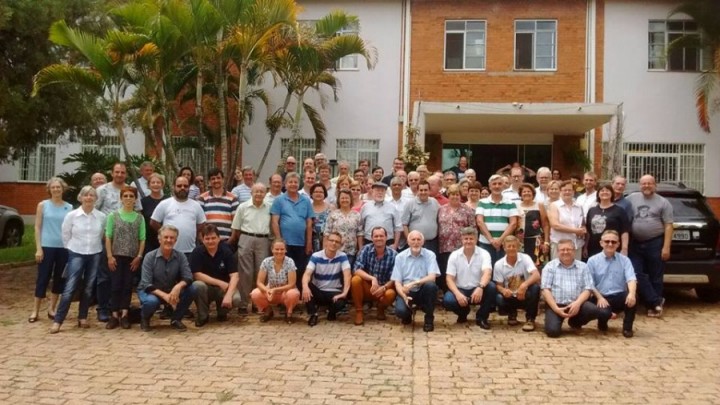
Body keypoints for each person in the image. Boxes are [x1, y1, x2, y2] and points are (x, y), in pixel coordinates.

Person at [49, 186, 107, 334]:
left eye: (92, 195)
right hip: (76, 253)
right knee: (70, 287)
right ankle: (58, 320)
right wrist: (70, 248)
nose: (89, 198)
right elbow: (65, 234)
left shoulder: (101, 217)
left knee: (88, 287)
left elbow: (102, 234)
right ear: (80, 198)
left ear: (96, 199)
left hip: (94, 253)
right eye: (86, 195)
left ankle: (82, 317)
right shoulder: (72, 215)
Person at [95, 162, 139, 322]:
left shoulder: (130, 190)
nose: (120, 174)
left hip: (126, 243)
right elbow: (94, 211)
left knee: (124, 278)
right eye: (117, 172)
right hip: (106, 240)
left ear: (126, 174)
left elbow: (138, 211)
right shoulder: (102, 190)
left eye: (122, 172)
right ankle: (103, 308)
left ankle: (120, 307)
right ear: (112, 173)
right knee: (105, 276)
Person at [627, 174, 673, 318]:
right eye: (643, 183)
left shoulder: (663, 202)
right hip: (635, 243)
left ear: (655, 185)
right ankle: (655, 301)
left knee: (655, 276)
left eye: (649, 183)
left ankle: (653, 307)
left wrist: (666, 247)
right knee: (635, 273)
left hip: (655, 243)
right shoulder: (631, 198)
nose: (646, 186)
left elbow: (669, 225)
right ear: (639, 185)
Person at [137, 225, 197, 332]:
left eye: (172, 238)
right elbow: (146, 284)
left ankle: (176, 319)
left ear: (176, 240)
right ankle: (145, 319)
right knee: (151, 301)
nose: (169, 240)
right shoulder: (149, 257)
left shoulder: (181, 256)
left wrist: (178, 287)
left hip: (170, 290)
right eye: (166, 237)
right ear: (159, 239)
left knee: (192, 289)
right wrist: (165, 296)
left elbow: (188, 277)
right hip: (150, 291)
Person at [30, 177, 72, 323]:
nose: (56, 189)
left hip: (63, 248)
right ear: (49, 189)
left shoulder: (69, 207)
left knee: (59, 279)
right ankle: (35, 310)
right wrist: (38, 248)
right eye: (53, 187)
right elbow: (37, 227)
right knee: (43, 278)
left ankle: (52, 308)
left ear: (63, 189)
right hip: (46, 246)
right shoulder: (43, 205)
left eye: (58, 187)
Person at [541, 239, 601, 338]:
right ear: (558, 251)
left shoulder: (583, 267)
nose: (565, 252)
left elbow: (588, 289)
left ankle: (574, 322)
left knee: (593, 310)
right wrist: (556, 308)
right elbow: (545, 290)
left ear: (574, 251)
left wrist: (577, 303)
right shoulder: (550, 267)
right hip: (556, 305)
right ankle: (552, 319)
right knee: (553, 332)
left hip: (577, 304)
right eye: (562, 250)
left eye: (569, 249)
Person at [104, 186, 146, 330]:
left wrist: (139, 256)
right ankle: (114, 315)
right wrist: (109, 256)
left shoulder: (139, 218)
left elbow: (142, 239)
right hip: (116, 257)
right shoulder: (113, 216)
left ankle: (125, 314)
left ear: (135, 199)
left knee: (127, 286)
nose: (128, 199)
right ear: (121, 198)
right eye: (125, 196)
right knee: (115, 285)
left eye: (131, 196)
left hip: (132, 258)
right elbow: (108, 237)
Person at [230, 182, 272, 315]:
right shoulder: (243, 207)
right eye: (256, 191)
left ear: (265, 193)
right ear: (251, 193)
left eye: (261, 191)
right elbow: (236, 228)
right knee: (245, 272)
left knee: (261, 271)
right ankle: (243, 303)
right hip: (246, 237)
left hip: (263, 239)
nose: (259, 194)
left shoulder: (269, 207)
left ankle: (257, 302)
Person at [442, 227, 496, 329]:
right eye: (466, 239)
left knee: (492, 287)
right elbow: (449, 278)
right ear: (461, 240)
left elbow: (487, 273)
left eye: (471, 239)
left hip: (478, 288)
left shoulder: (484, 254)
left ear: (476, 239)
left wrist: (480, 287)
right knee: (448, 300)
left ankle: (482, 317)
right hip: (460, 289)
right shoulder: (454, 255)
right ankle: (463, 312)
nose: (468, 241)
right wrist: (457, 294)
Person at [587, 230, 637, 338]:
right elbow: (589, 283)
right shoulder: (592, 261)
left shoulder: (625, 260)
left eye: (613, 242)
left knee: (633, 297)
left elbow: (631, 279)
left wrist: (632, 293)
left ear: (618, 244)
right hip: (600, 296)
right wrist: (600, 298)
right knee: (604, 313)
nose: (610, 244)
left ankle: (627, 328)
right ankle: (602, 322)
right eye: (607, 241)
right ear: (601, 243)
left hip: (618, 296)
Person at [190, 224, 241, 327]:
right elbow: (197, 275)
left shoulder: (226, 251)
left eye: (213, 238)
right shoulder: (197, 252)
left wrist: (228, 295)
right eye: (207, 239)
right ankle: (203, 316)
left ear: (219, 238)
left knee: (236, 299)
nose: (210, 241)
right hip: (206, 289)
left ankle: (222, 311)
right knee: (197, 285)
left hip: (223, 289)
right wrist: (219, 282)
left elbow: (235, 276)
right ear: (202, 240)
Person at [270, 172, 313, 292]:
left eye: (295, 182)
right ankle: (283, 295)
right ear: (285, 184)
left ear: (299, 184)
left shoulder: (306, 200)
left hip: (301, 243)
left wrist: (309, 242)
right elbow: (274, 222)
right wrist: (279, 241)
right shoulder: (279, 200)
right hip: (285, 244)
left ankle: (297, 295)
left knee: (299, 269)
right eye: (290, 182)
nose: (293, 184)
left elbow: (309, 223)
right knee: (284, 270)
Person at [392, 230, 440, 332]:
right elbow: (397, 282)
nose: (416, 242)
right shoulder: (400, 257)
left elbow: (432, 277)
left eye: (419, 239)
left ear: (423, 242)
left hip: (423, 290)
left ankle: (429, 319)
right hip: (407, 291)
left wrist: (414, 283)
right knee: (400, 311)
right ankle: (407, 314)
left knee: (431, 286)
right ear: (408, 242)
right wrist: (403, 296)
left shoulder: (430, 255)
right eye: (413, 239)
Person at [302, 232, 352, 327]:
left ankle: (331, 312)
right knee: (305, 285)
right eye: (331, 240)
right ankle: (313, 314)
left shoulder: (342, 256)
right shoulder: (316, 256)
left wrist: (344, 293)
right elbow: (307, 274)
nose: (334, 243)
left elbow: (347, 275)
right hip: (318, 291)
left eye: (337, 242)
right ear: (326, 242)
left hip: (334, 292)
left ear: (340, 245)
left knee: (344, 298)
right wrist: (305, 287)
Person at [150, 175, 207, 257]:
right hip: (169, 250)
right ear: (174, 187)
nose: (182, 188)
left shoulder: (196, 205)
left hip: (190, 251)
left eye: (185, 186)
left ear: (189, 187)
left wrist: (192, 230)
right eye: (179, 186)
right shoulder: (165, 204)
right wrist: (165, 232)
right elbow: (153, 222)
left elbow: (202, 223)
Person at [351, 227, 397, 325]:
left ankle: (381, 308)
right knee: (355, 280)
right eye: (376, 236)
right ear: (372, 238)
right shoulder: (365, 249)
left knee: (391, 294)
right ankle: (359, 312)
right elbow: (356, 269)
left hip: (383, 289)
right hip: (368, 287)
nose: (378, 238)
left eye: (381, 236)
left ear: (386, 237)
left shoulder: (394, 254)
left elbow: (395, 277)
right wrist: (372, 278)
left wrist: (384, 287)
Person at [493, 236, 541, 331]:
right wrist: (503, 290)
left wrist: (524, 285)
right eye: (509, 246)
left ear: (518, 247)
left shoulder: (525, 258)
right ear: (504, 248)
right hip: (510, 296)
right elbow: (498, 285)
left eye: (514, 246)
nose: (511, 248)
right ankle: (512, 314)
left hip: (525, 294)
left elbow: (536, 275)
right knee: (499, 298)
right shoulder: (498, 264)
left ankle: (530, 319)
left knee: (535, 288)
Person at [250, 239, 301, 323]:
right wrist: (267, 290)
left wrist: (275, 290)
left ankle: (289, 313)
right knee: (255, 293)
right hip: (270, 291)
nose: (279, 252)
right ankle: (268, 311)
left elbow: (292, 284)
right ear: (272, 250)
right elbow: (259, 282)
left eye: (282, 249)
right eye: (277, 249)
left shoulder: (290, 262)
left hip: (285, 292)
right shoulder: (266, 261)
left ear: (285, 250)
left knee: (293, 294)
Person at [437, 185, 476, 292]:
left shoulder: (467, 210)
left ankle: (460, 292)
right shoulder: (441, 209)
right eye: (452, 194)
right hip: (444, 246)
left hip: (461, 247)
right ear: (448, 196)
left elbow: (473, 228)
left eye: (457, 194)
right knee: (446, 270)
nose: (455, 197)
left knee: (460, 271)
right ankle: (447, 293)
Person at [476, 174, 519, 266]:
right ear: (490, 186)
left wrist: (500, 240)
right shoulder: (482, 202)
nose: (497, 186)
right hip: (485, 243)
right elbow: (480, 222)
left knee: (505, 268)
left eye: (499, 184)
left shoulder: (511, 203)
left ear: (503, 186)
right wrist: (491, 240)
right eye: (494, 184)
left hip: (505, 244)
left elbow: (513, 223)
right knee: (486, 268)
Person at [585, 184, 630, 258]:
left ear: (612, 194)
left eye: (607, 190)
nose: (604, 192)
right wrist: (585, 247)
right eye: (602, 191)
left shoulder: (619, 210)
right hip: (593, 248)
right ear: (598, 194)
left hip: (612, 246)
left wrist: (624, 248)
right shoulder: (592, 210)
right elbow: (588, 231)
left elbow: (624, 231)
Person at [198, 168, 239, 242]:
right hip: (208, 241)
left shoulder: (233, 198)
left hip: (226, 241)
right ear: (209, 181)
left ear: (223, 179)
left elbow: (235, 222)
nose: (216, 180)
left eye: (218, 178)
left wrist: (231, 240)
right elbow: (200, 223)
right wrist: (202, 240)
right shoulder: (202, 198)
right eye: (213, 179)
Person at [547, 180, 585, 260]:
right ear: (560, 192)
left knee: (576, 267)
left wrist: (583, 229)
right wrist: (575, 231)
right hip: (559, 245)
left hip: (576, 245)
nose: (567, 192)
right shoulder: (554, 205)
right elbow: (555, 225)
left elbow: (582, 224)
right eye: (564, 190)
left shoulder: (579, 207)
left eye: (569, 190)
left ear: (573, 192)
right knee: (558, 267)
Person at [324, 189, 363, 267]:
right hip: (335, 250)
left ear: (350, 200)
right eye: (342, 198)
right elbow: (327, 232)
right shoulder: (333, 214)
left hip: (351, 252)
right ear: (338, 200)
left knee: (348, 272)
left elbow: (360, 233)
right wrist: (325, 249)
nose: (344, 200)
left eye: (347, 198)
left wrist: (360, 249)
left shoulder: (357, 215)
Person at [360, 182, 402, 249]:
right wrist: (360, 247)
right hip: (369, 242)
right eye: (377, 190)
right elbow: (360, 228)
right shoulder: (365, 207)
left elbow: (398, 227)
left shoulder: (392, 207)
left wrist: (395, 245)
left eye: (382, 191)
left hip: (388, 243)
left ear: (385, 193)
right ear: (372, 192)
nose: (380, 193)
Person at [515, 183, 550, 264]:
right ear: (520, 194)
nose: (526, 193)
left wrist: (546, 242)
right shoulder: (516, 206)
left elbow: (545, 225)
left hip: (536, 241)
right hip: (520, 242)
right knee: (522, 264)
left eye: (529, 191)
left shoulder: (539, 205)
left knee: (537, 264)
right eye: (524, 192)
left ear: (533, 193)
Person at [402, 180, 440, 253]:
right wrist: (409, 240)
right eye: (421, 190)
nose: (423, 192)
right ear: (417, 191)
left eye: (425, 190)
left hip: (431, 242)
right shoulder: (410, 203)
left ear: (429, 191)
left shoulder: (434, 202)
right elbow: (404, 224)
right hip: (415, 242)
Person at [140, 173, 167, 255]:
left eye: (158, 182)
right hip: (149, 240)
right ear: (149, 185)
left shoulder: (168, 200)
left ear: (162, 185)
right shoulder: (143, 202)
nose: (156, 184)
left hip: (166, 239)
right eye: (153, 182)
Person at [309, 183, 332, 252]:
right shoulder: (308, 208)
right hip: (311, 240)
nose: (318, 194)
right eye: (316, 192)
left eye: (321, 192)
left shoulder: (331, 208)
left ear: (325, 194)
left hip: (327, 240)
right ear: (311, 194)